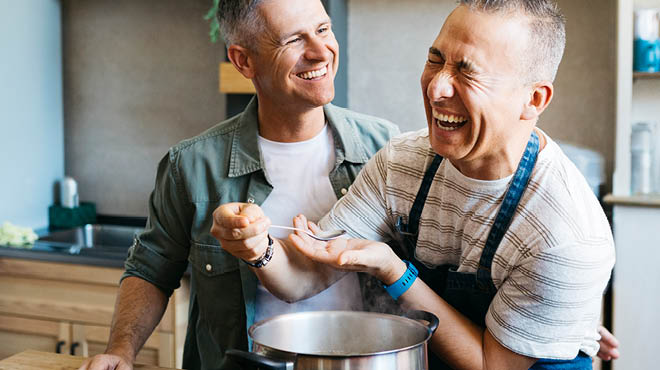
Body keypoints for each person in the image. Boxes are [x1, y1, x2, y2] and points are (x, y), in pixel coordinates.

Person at [212, 1, 618, 369]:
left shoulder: (567, 235)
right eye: (435, 59)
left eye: (467, 71)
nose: (437, 88)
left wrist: (395, 271)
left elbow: (490, 365)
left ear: (534, 100)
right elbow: (304, 278)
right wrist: (257, 248)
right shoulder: (402, 164)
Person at [78, 0, 399, 369]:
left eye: (323, 29)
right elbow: (150, 269)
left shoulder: (385, 148)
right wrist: (121, 350)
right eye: (293, 40)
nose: (319, 51)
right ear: (243, 60)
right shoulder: (192, 166)